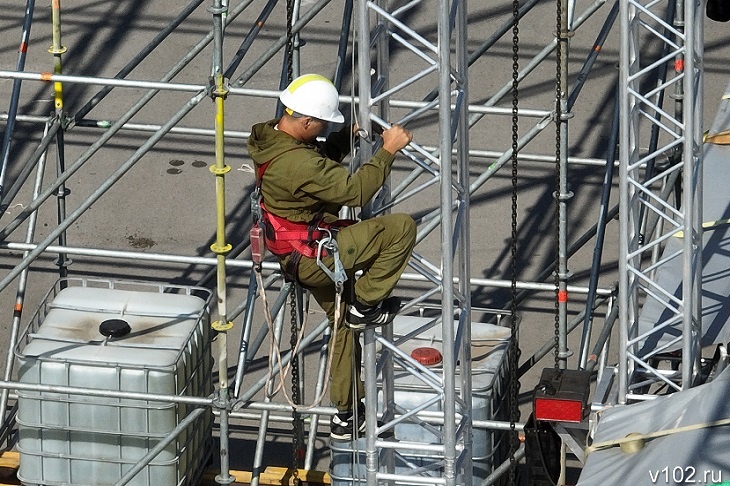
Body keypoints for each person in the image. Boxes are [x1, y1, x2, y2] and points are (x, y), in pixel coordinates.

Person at [247, 73, 416, 440]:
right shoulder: (297, 163)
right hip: (314, 257)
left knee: (341, 324)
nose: (323, 129)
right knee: (400, 228)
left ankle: (346, 413)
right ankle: (366, 303)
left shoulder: (272, 137)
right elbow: (354, 191)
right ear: (306, 121)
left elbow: (315, 166)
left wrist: (344, 138)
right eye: (322, 123)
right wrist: (388, 151)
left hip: (296, 254)